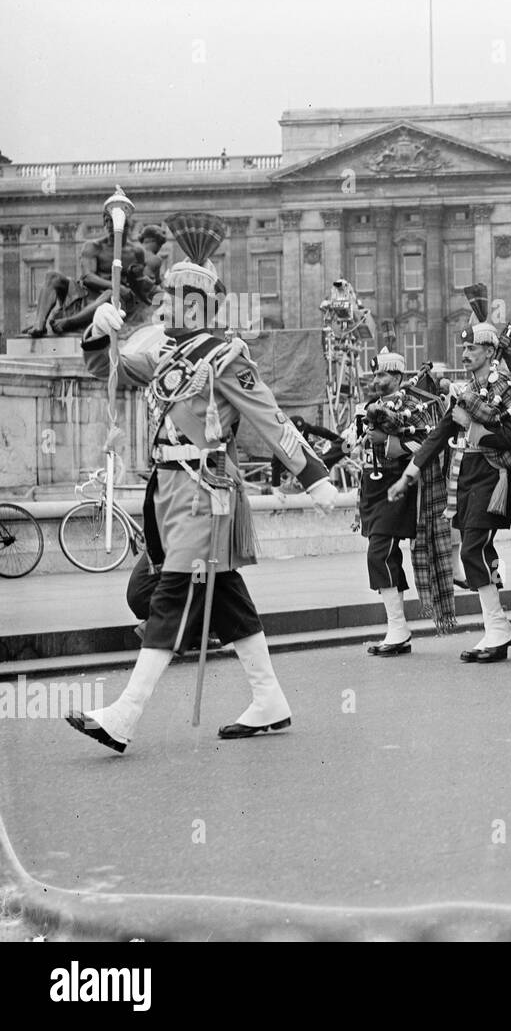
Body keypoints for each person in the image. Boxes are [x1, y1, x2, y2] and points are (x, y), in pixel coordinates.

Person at [67, 215, 337, 753]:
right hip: (164, 492)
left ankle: (124, 715)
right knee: (227, 598)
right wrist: (99, 329)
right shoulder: (159, 351)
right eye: (165, 296)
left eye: (174, 296)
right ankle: (269, 700)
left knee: (171, 595)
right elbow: (109, 370)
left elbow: (271, 417)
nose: (165, 305)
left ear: (196, 302)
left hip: (203, 490)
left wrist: (315, 480)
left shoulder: (226, 358)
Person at [391, 320, 511, 660]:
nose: (465, 353)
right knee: (479, 550)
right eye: (464, 348)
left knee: (473, 550)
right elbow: (438, 435)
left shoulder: (508, 390)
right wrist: (409, 473)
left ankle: (498, 628)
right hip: (466, 477)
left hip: (492, 476)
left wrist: (475, 427)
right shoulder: (467, 391)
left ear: (490, 352)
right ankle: (495, 630)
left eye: (472, 348)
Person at [355, 349, 435, 656]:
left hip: (397, 486)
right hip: (373, 489)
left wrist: (387, 444)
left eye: (383, 375)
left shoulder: (413, 405)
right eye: (375, 375)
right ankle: (397, 627)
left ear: (398, 377)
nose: (377, 380)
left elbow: (425, 442)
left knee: (380, 552)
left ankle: (398, 628)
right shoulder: (371, 406)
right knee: (384, 555)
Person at [25, 208, 158, 337]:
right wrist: (116, 286)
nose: (110, 225)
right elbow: (87, 277)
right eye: (107, 221)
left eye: (115, 221)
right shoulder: (94, 246)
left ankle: (69, 322)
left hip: (118, 302)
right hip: (88, 294)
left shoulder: (136, 252)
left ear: (126, 224)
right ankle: (39, 324)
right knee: (52, 276)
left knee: (110, 294)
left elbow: (139, 281)